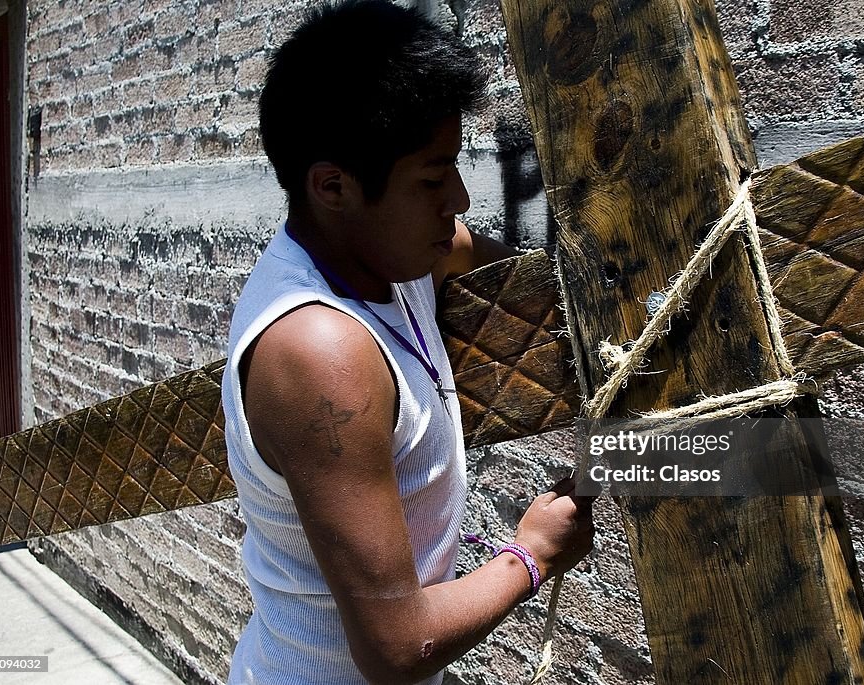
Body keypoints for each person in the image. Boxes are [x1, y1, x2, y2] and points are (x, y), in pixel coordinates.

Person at [220, 2, 595, 683]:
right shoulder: (318, 353)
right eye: (431, 177)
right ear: (333, 186)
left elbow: (493, 262)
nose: (457, 197)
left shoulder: (393, 252)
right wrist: (532, 553)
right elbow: (396, 646)